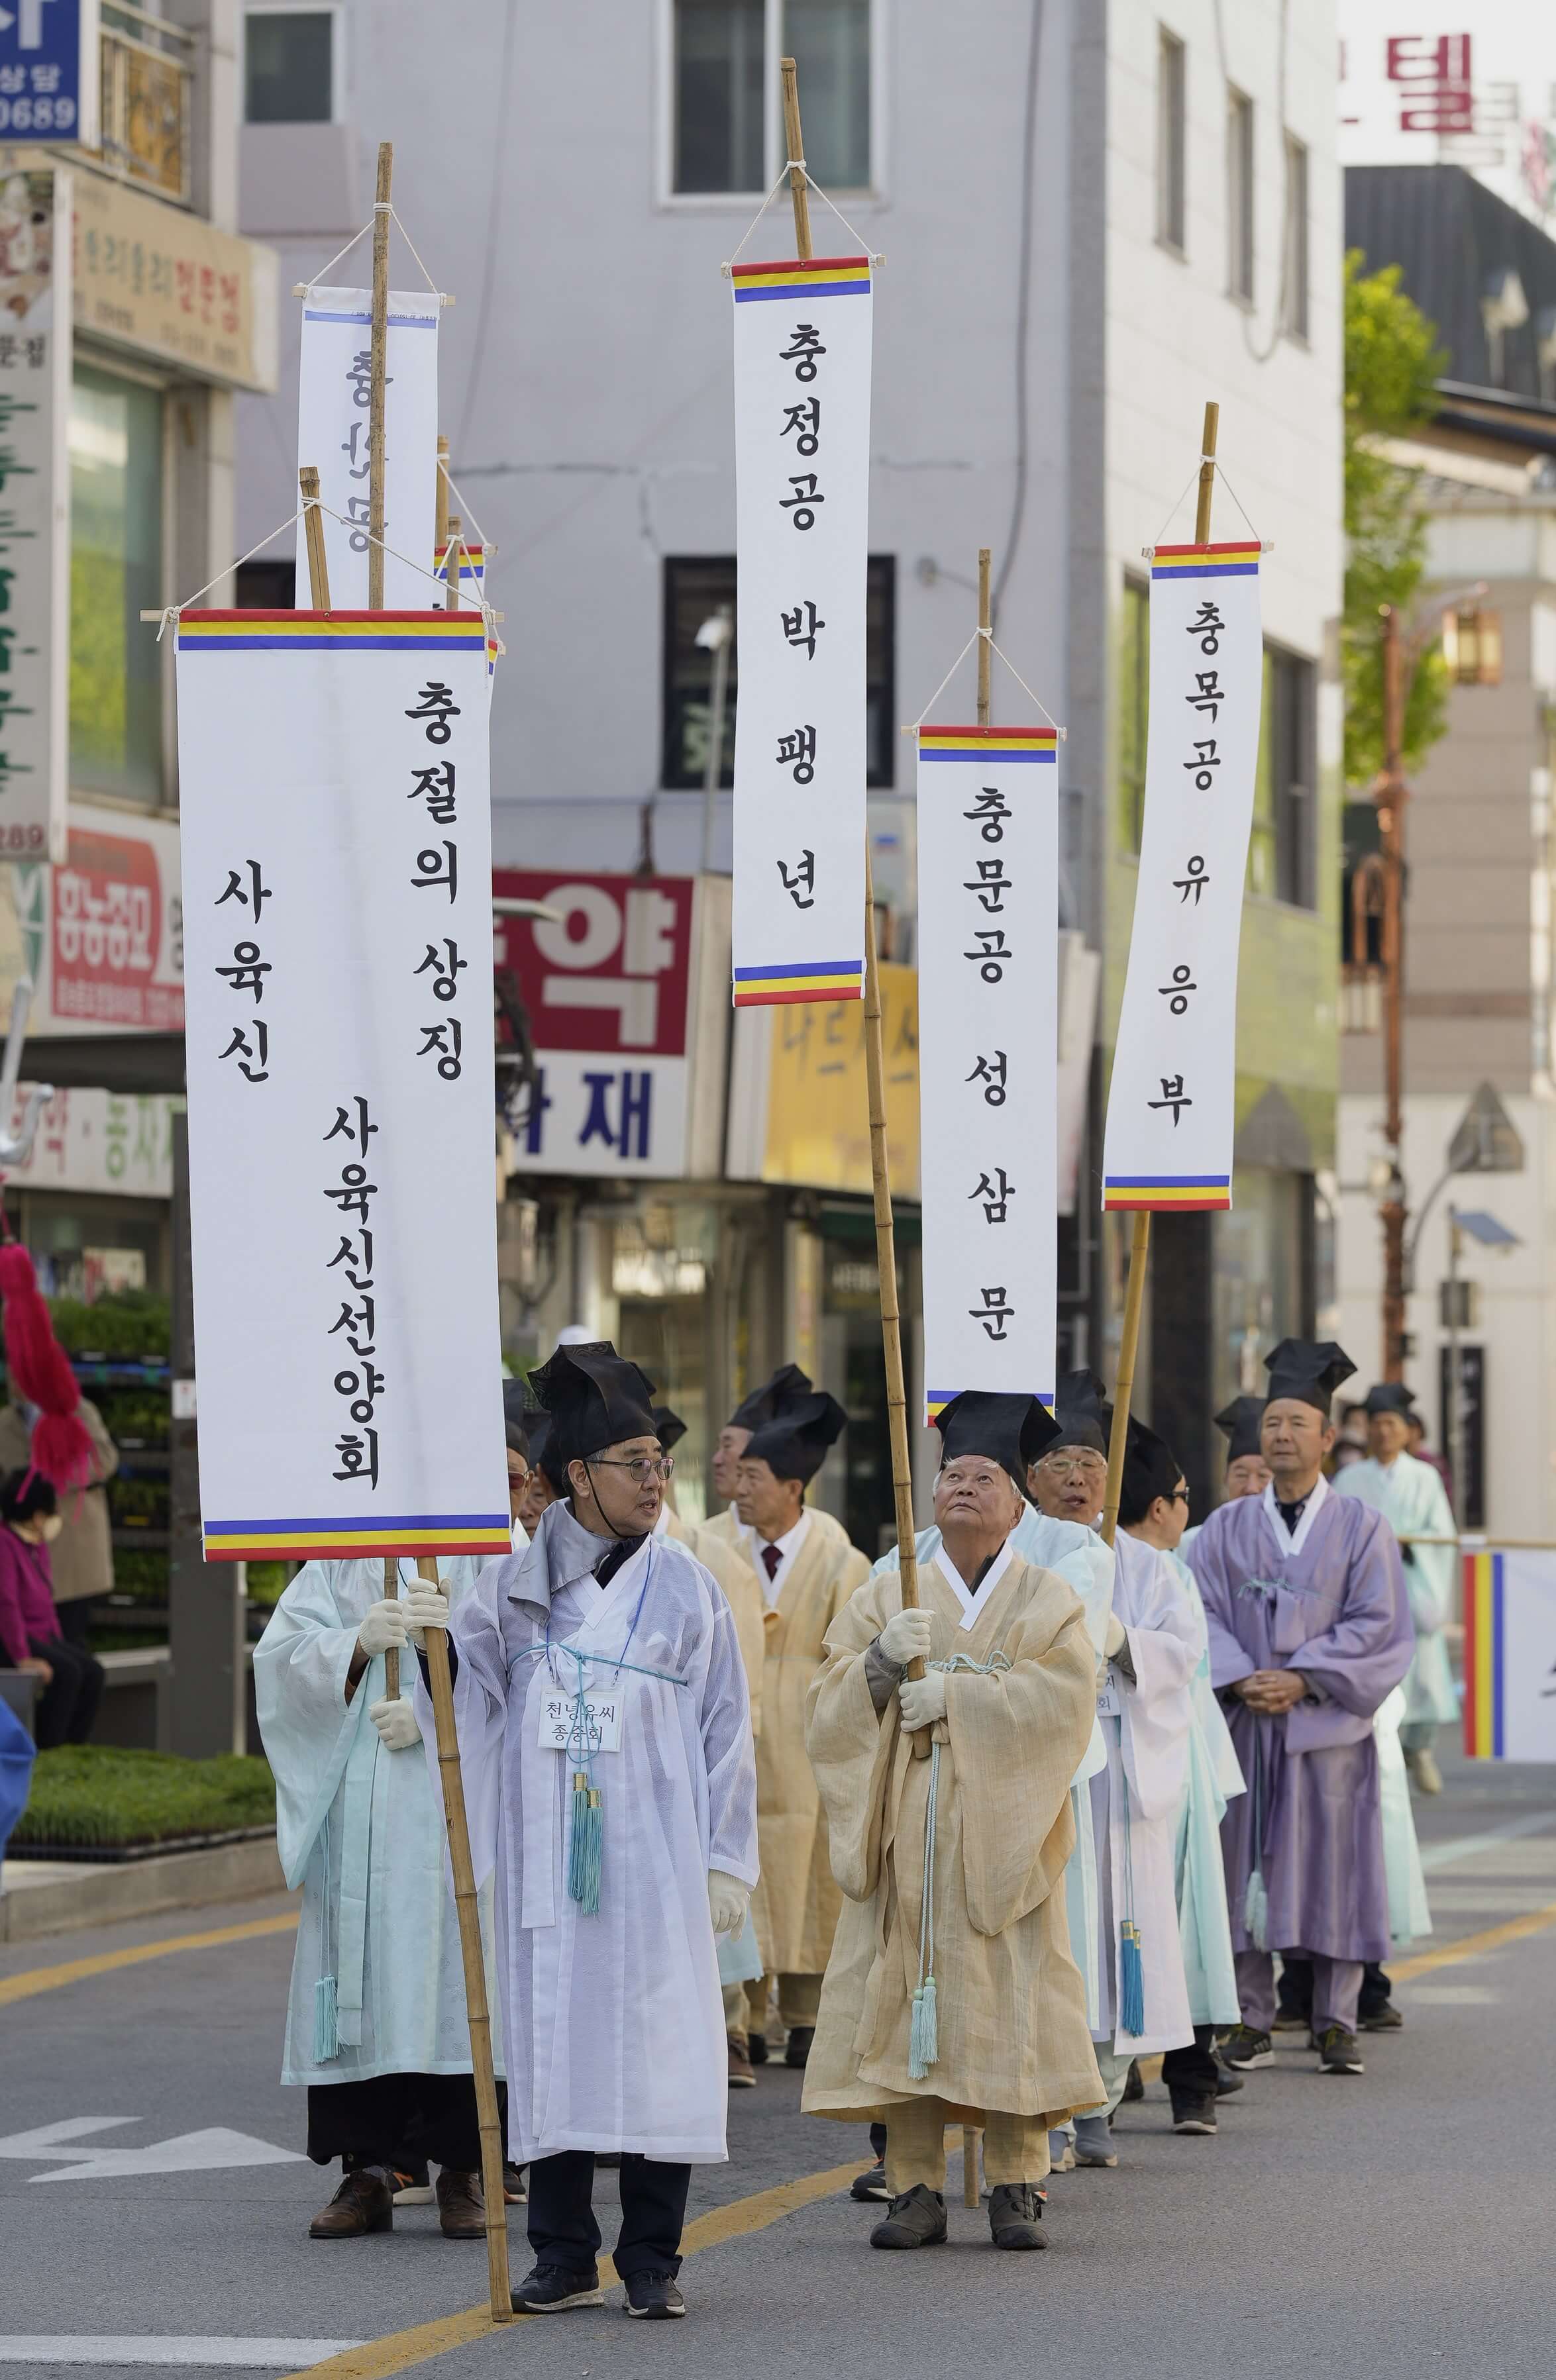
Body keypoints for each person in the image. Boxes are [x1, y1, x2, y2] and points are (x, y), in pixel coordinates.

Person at [407, 1341, 757, 2321]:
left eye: (660, 1463)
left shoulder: (687, 1586)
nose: (656, 1481)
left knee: (657, 2044)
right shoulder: (507, 1587)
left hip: (656, 1856)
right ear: (575, 1479)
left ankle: (652, 2253)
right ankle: (562, 2250)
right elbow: (466, 1714)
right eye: (634, 1465)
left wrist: (727, 1858)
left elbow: (729, 1727)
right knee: (550, 2034)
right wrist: (437, 1639)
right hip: (545, 1859)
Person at [801, 1388, 1104, 2253]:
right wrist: (878, 1667)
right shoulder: (890, 1588)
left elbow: (1066, 1699)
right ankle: (914, 2185)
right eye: (951, 1475)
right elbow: (826, 1703)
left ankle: (1017, 2183)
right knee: (908, 1995)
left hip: (1006, 1834)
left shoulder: (1047, 1597)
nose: (963, 1487)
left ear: (1018, 1501)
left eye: (983, 1476)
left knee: (1012, 1995)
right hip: (907, 1829)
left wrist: (963, 1698)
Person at [254, 1549, 505, 2240]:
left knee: (457, 1973)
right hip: (360, 1795)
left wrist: (440, 1680)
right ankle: (368, 2170)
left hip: (453, 1790)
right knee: (362, 1969)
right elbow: (280, 1661)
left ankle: (466, 2166)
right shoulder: (341, 1556)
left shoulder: (490, 1545)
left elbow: (525, 1658)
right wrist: (354, 1647)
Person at [1188, 1340, 1414, 2079]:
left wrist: (1306, 1677)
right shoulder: (1224, 1529)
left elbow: (1380, 1623)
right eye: (1273, 1423)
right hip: (1249, 1722)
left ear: (1325, 1437)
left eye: (1297, 1424)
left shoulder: (1362, 1527)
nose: (1281, 1435)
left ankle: (1338, 2017)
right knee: (1244, 1863)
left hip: (1325, 1730)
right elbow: (1201, 1614)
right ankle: (1252, 2015)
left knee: (1337, 1865)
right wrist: (1243, 1674)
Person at [1031, 1385, 1196, 2168]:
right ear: (1030, 1477)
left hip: (1121, 1761)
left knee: (1116, 1924)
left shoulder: (1150, 1568)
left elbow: (1184, 1654)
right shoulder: (1016, 1555)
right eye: (1058, 1461)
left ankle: (1104, 2090)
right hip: (1040, 1766)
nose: (1075, 1477)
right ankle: (1046, 2109)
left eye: (1090, 1461)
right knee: (1055, 1928)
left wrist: (1123, 1637)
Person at [734, 1389, 869, 2070]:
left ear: (793, 1489)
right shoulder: (715, 1547)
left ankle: (810, 2009)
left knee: (815, 1861)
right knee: (745, 1864)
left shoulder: (844, 1561)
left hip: (813, 1727)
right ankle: (746, 2013)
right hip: (744, 1723)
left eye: (755, 1479)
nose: (741, 1490)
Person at [1121, 1422, 1245, 2138]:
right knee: (1159, 1924)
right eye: (1182, 1496)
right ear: (1161, 1505)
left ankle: (1190, 2073)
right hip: (1139, 1761)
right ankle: (1170, 2079)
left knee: (1184, 1923)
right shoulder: (1129, 1565)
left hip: (1181, 1758)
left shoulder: (1171, 1565)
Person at [651, 1401, 769, 2087]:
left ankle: (725, 2027)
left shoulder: (708, 1558)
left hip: (696, 1758)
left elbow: (735, 1675)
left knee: (715, 1904)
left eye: (654, 1464)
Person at [1335, 1383, 1457, 1796]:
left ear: (1407, 1431)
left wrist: (1407, 1543)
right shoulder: (1349, 1478)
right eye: (1377, 1424)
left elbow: (1442, 1534)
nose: (1384, 1432)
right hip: (1367, 1587)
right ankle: (1376, 1752)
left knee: (1422, 1674)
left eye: (1391, 1424)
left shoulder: (1424, 1478)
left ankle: (1419, 1748)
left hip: (1411, 1582)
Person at [0, 1391, 117, 1648]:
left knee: (69, 1640)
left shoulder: (78, 1411)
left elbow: (105, 1460)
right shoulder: (6, 1422)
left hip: (74, 1550)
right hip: (22, 1554)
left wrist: (56, 1477)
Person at [703, 1364, 851, 1560]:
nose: (717, 1460)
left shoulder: (827, 1533)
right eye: (717, 1447)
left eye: (728, 1446)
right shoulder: (705, 1540)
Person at [0, 1471, 103, 1749]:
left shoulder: (36, 1544)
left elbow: (46, 1597)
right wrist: (22, 1657)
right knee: (67, 1673)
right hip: (16, 1638)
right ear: (36, 1516)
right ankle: (49, 1747)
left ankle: (74, 1746)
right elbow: (7, 1605)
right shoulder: (5, 1543)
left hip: (44, 1634)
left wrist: (58, 1641)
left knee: (92, 1672)